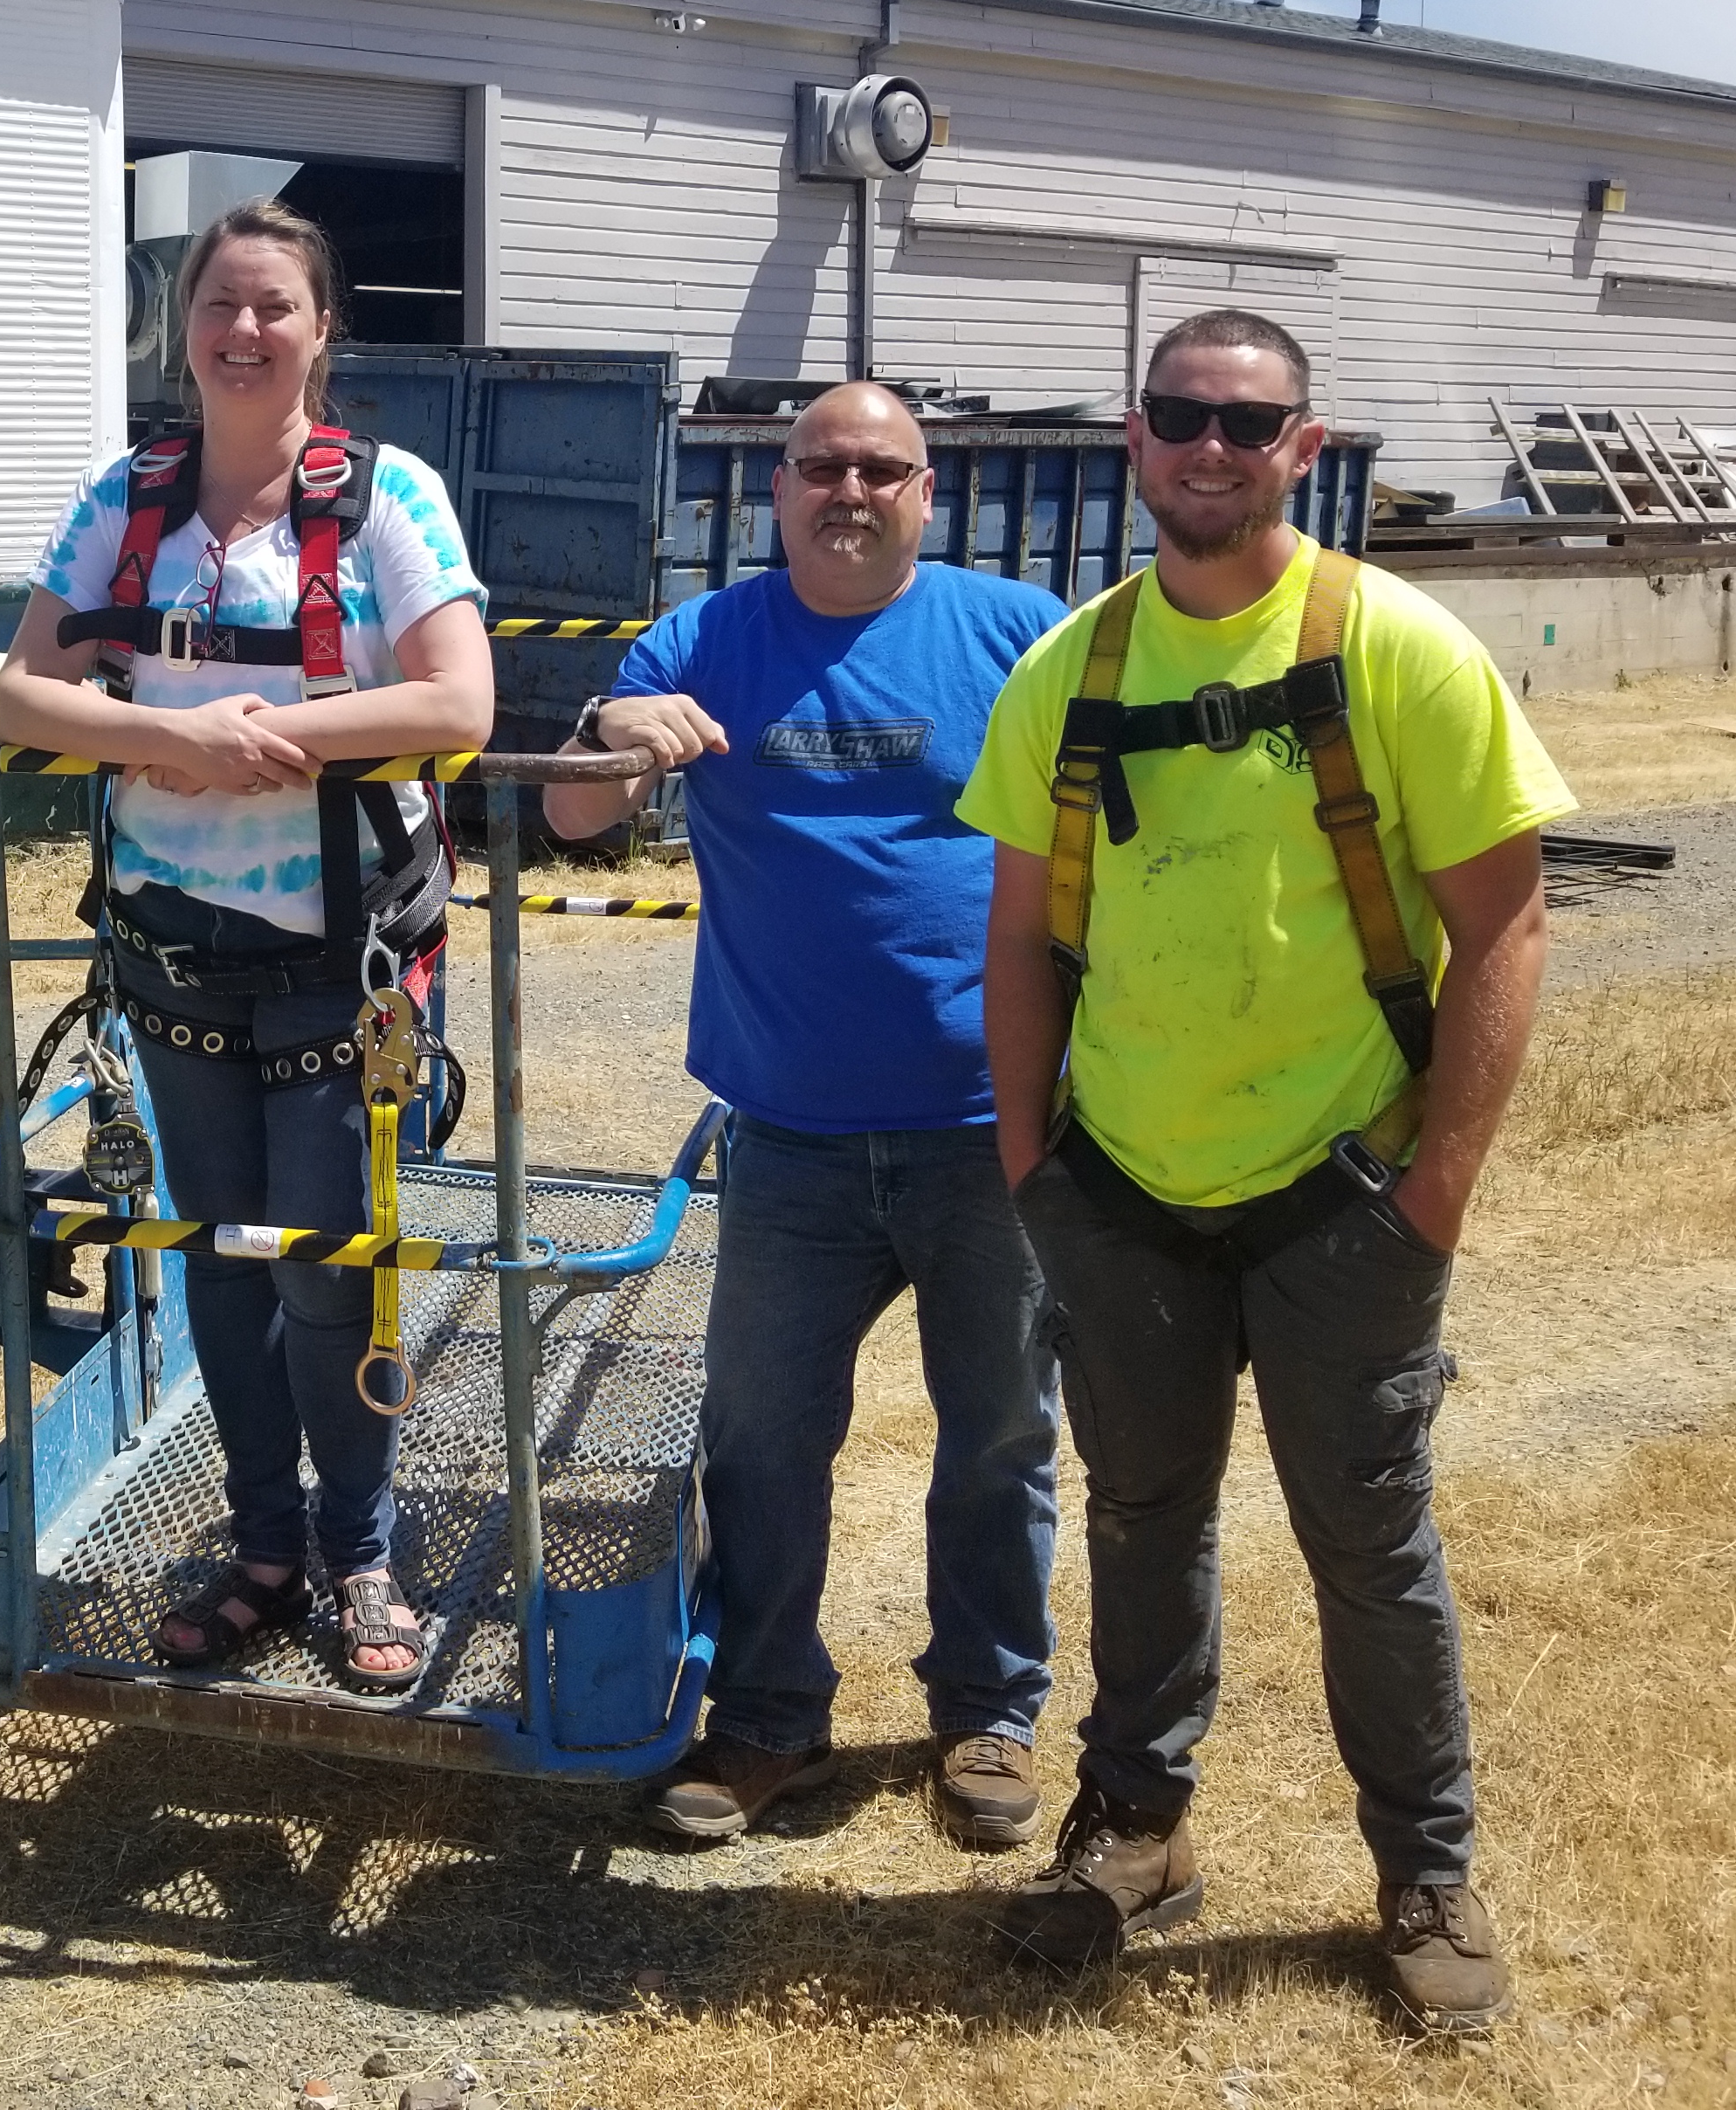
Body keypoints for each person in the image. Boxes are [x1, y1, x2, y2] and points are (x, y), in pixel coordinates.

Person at [958, 312, 1571, 2034]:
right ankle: (1137, 1829)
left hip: (1344, 1201)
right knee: (1144, 1519)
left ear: (1304, 447)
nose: (1208, 447)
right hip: (1123, 1196)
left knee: (1368, 1544)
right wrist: (1033, 1166)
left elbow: (1506, 922)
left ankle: (1424, 1873)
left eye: (1247, 422)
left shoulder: (1401, 650)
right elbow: (1019, 940)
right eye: (1179, 417)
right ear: (1135, 441)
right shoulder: (1072, 670)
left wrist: (1435, 1192)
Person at [542, 381, 1066, 1850]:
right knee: (763, 1438)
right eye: (822, 466)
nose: (850, 490)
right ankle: (771, 1717)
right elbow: (574, 819)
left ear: (927, 486)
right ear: (775, 486)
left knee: (1002, 1433)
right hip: (790, 1140)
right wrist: (609, 718)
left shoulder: (1016, 634)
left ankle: (987, 1711)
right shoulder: (704, 644)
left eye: (880, 468)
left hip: (992, 1132)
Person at [0, 197, 493, 1694]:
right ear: (186, 330)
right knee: (215, 1262)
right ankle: (264, 1550)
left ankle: (361, 1555)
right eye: (221, 303)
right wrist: (163, 733)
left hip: (343, 967)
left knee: (330, 1271)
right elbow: (23, 694)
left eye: (277, 305)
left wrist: (257, 741)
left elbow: (459, 707)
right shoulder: (124, 500)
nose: (245, 330)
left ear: (321, 330)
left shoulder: (387, 497)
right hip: (173, 957)